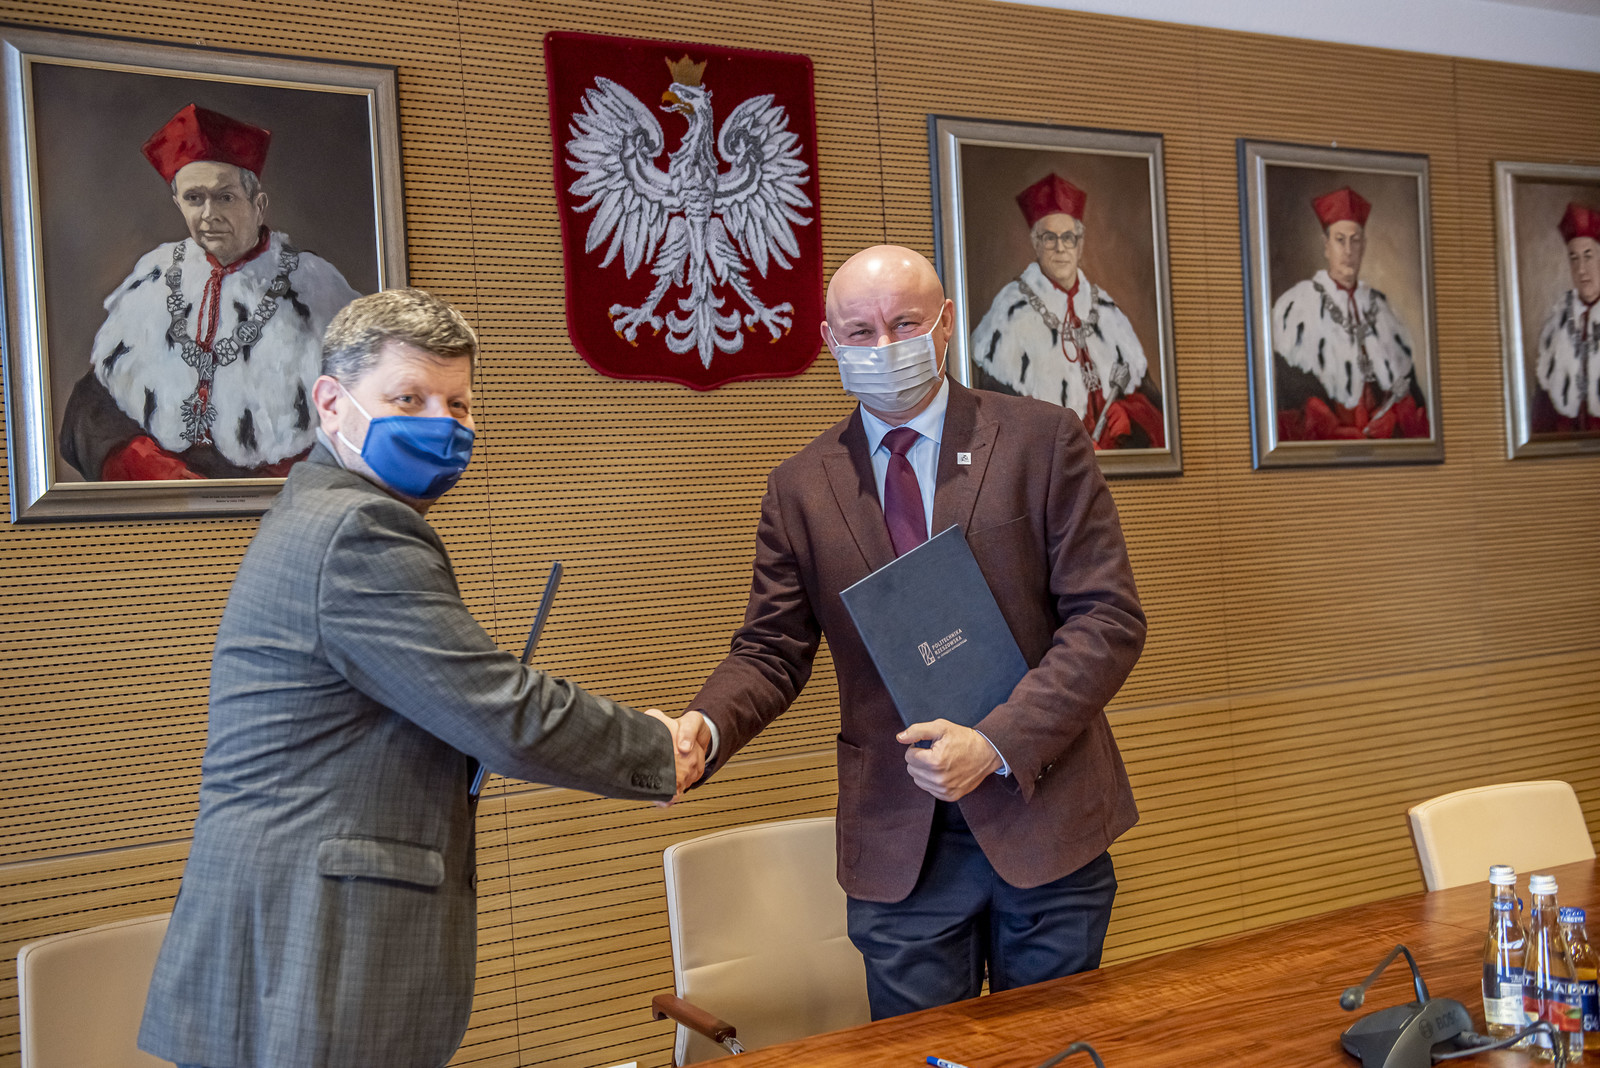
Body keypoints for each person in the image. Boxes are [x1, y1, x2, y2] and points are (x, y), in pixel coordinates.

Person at [137, 289, 707, 1068]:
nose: (442, 424)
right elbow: (502, 713)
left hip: (288, 948)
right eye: (409, 398)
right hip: (307, 956)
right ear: (331, 404)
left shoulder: (323, 510)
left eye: (458, 404)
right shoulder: (357, 529)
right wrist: (656, 748)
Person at [681, 246, 1146, 1019]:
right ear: (830, 341)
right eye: (859, 331)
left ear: (946, 323)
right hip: (903, 844)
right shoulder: (800, 488)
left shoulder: (1042, 441)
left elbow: (1107, 618)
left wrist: (996, 742)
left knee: (1053, 1049)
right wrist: (706, 725)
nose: (883, 345)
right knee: (919, 1056)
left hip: (1044, 814)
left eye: (904, 324)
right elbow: (770, 649)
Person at [59, 103, 362, 481]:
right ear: (178, 204)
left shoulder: (316, 288)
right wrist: (154, 471)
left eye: (225, 197)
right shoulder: (153, 278)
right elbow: (94, 409)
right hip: (166, 492)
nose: (208, 215)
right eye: (194, 198)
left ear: (258, 205)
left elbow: (356, 414)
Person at [968, 173, 1165, 450]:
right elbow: (1002, 423)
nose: (1060, 248)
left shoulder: (1108, 313)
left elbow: (1154, 410)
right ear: (1036, 243)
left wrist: (1128, 415)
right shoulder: (1009, 316)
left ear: (1079, 244)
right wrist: (1070, 449)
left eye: (1068, 237)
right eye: (1050, 238)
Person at [1271, 186, 1430, 440]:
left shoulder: (1383, 309)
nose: (1348, 251)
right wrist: (1327, 423)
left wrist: (1392, 415)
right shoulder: (1297, 307)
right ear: (1326, 246)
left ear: (1364, 246)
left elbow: (1410, 392)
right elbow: (1287, 394)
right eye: (1340, 240)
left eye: (1355, 240)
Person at [1533, 201, 1600, 433]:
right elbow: (1542, 411)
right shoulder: (1558, 322)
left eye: (1588, 256)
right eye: (1574, 258)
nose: (1581, 269)